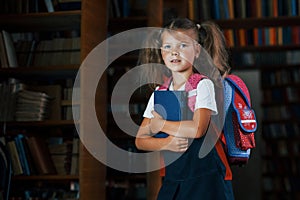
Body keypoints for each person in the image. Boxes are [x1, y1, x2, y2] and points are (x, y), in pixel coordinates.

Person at [135, 18, 235, 200]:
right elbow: (140, 140)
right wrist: (166, 143)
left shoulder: (203, 85)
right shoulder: (160, 92)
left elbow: (197, 129)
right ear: (161, 52)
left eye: (182, 45)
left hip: (206, 178)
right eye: (168, 47)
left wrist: (160, 124)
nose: (174, 52)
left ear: (197, 50)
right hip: (174, 178)